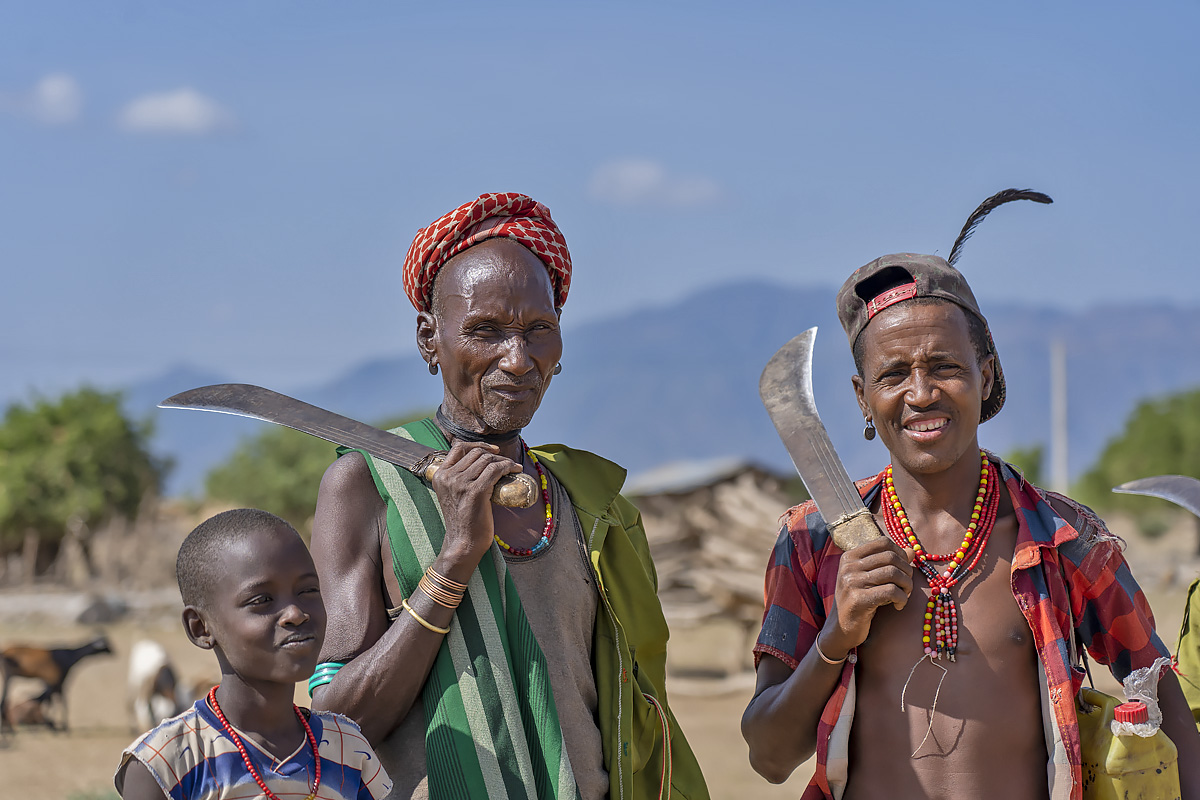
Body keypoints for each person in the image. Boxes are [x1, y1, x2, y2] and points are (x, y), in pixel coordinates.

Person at [740, 191, 1200, 800]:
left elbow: (1161, 691)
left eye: (945, 366)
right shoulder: (811, 542)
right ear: (861, 399)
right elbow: (770, 759)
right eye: (893, 374)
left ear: (986, 375)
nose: (921, 392)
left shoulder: (1062, 539)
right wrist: (837, 635)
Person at [308, 192, 708, 800]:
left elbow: (638, 709)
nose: (517, 360)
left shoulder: (593, 504)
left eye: (538, 330)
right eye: (485, 331)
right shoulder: (369, 484)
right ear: (428, 338)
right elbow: (339, 726)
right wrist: (454, 561)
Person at [115, 508, 392, 800]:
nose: (295, 614)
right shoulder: (166, 764)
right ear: (200, 628)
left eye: (308, 590)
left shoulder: (347, 748)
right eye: (262, 600)